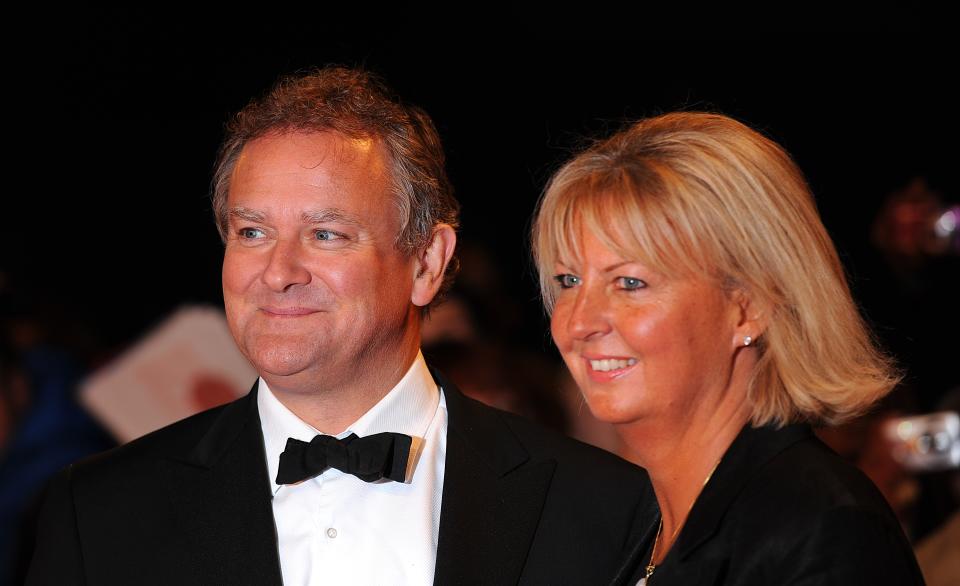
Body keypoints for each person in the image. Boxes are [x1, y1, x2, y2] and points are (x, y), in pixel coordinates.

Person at [27, 67, 657, 586]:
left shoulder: (600, 507)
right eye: (252, 233)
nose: (277, 272)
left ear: (427, 263)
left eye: (326, 235)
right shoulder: (98, 513)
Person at [532, 112, 926, 585]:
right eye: (569, 280)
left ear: (750, 305)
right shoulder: (635, 531)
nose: (579, 321)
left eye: (629, 282)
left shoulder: (821, 528)